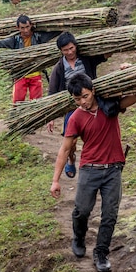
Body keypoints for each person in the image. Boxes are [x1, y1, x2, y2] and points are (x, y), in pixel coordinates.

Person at [50, 73, 136, 272]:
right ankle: (79, 237)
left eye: (85, 96)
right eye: (77, 99)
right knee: (82, 210)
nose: (83, 102)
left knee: (110, 214)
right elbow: (65, 149)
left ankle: (101, 253)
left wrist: (131, 71)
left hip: (113, 169)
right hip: (89, 169)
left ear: (92, 90)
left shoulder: (110, 106)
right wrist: (55, 180)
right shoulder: (75, 117)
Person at [46, 32, 109, 179]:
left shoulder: (86, 59)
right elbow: (52, 91)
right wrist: (50, 117)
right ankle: (71, 158)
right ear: (61, 51)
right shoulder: (59, 67)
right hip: (72, 107)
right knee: (71, 140)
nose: (70, 52)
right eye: (65, 50)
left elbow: (105, 55)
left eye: (71, 48)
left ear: (75, 46)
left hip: (91, 103)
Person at [0, 15, 61, 103]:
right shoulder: (15, 39)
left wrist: (63, 26)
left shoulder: (38, 37)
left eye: (27, 27)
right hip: (20, 75)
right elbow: (2, 43)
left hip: (35, 74)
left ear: (31, 25)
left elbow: (53, 32)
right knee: (17, 102)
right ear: (17, 28)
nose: (25, 30)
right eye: (22, 28)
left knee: (36, 102)